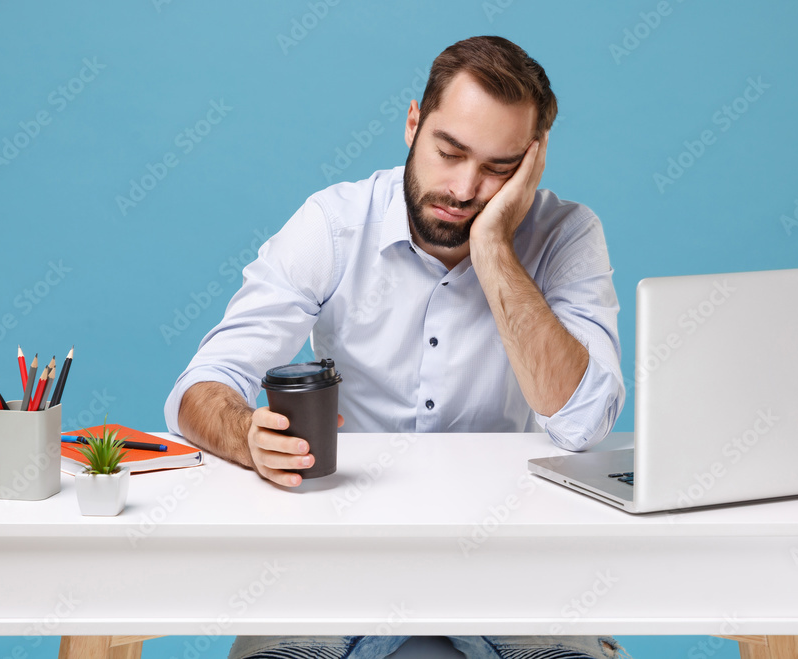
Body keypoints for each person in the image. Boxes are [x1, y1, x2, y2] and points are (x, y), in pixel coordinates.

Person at [165, 36, 627, 659]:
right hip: (337, 559)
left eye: (498, 168)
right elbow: (201, 388)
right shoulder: (333, 225)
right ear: (413, 123)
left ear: (531, 166)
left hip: (508, 563)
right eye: (449, 151)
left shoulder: (564, 235)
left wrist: (492, 246)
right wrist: (246, 432)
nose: (465, 189)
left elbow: (581, 423)